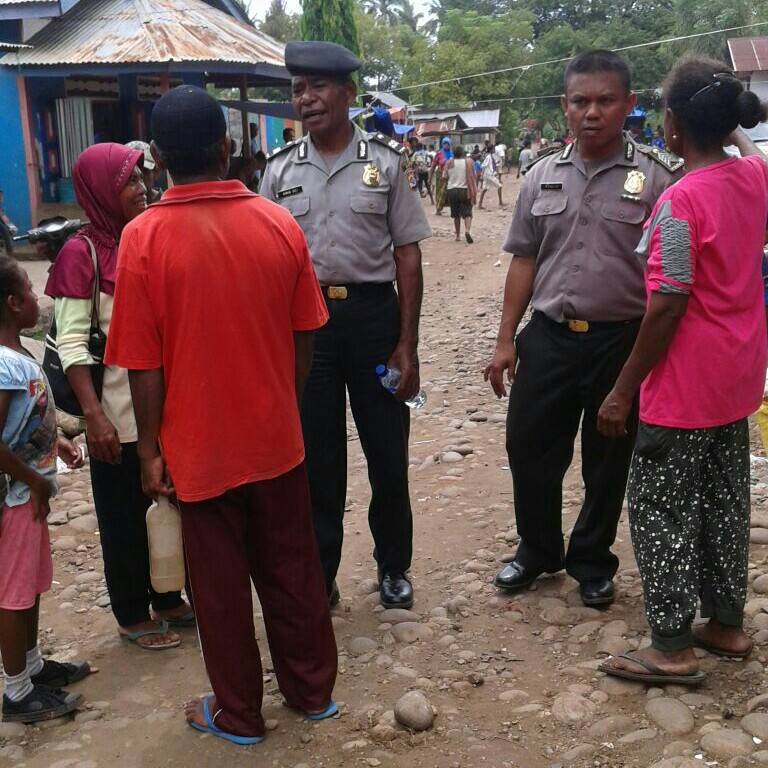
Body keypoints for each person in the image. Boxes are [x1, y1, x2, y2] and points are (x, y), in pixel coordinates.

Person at [106, 84, 337, 744]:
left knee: (220, 590)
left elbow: (143, 365)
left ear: (156, 157)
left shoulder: (143, 240)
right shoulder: (277, 224)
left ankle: (238, 713)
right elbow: (305, 332)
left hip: (198, 452)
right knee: (293, 571)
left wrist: (149, 449)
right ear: (227, 149)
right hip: (275, 441)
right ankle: (312, 692)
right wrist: (282, 404)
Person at [483, 50, 683, 607]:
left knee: (607, 458)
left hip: (620, 341)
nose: (591, 112)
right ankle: (538, 549)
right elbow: (524, 258)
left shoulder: (660, 179)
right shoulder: (541, 174)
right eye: (580, 101)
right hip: (547, 335)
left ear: (629, 105)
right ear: (563, 107)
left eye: (605, 100)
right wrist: (505, 339)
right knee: (528, 448)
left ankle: (592, 559)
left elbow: (669, 277)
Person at [596, 60, 768, 685]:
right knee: (725, 500)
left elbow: (667, 302)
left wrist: (621, 391)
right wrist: (735, 129)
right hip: (739, 376)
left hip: (685, 385)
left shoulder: (679, 202)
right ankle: (725, 622)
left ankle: (671, 645)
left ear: (670, 127)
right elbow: (748, 152)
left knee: (660, 509)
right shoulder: (753, 178)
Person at [261, 41, 431, 610]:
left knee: (388, 449)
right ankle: (321, 573)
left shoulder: (383, 163)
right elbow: (263, 259)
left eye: (317, 88)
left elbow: (407, 254)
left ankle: (393, 567)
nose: (306, 100)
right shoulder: (279, 170)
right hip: (307, 326)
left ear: (348, 95)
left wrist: (407, 344)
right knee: (315, 457)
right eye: (298, 90)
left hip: (373, 320)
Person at [45, 143, 191, 651]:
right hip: (115, 415)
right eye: (129, 181)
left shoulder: (146, 240)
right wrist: (93, 417)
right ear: (103, 191)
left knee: (166, 502)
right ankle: (132, 611)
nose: (143, 189)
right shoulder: (79, 254)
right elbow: (70, 344)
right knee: (123, 516)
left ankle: (167, 596)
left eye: (142, 179)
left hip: (160, 408)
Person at [0, 257, 90, 723]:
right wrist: (34, 479)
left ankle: (32, 667)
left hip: (27, 494)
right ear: (13, 303)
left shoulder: (17, 356)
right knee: (14, 592)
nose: (40, 299)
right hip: (16, 497)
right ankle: (15, 690)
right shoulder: (3, 365)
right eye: (32, 294)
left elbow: (21, 423)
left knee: (30, 584)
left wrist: (54, 441)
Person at [444, 145, 476, 243]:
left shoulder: (449, 162)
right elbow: (473, 175)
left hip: (452, 190)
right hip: (465, 190)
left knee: (456, 214)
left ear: (453, 153)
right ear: (462, 153)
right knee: (467, 212)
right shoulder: (469, 162)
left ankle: (457, 236)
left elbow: (444, 176)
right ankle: (467, 230)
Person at [429, 137, 452, 215]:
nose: (446, 145)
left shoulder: (452, 153)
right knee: (440, 192)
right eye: (445, 143)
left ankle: (453, 209)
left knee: (450, 192)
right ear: (442, 144)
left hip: (451, 176)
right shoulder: (439, 153)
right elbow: (433, 166)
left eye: (448, 143)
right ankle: (438, 209)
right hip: (440, 176)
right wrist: (429, 178)